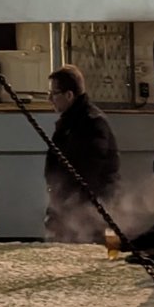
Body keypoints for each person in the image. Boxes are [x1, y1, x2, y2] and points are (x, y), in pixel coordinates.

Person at [43, 65, 119, 242]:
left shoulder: (90, 124)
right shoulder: (74, 122)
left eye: (53, 93)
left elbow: (86, 172)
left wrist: (66, 207)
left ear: (69, 95)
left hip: (90, 209)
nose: (49, 99)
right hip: (74, 205)